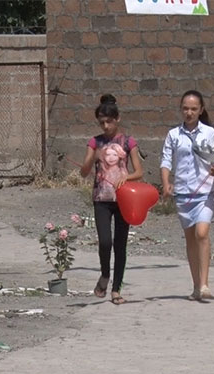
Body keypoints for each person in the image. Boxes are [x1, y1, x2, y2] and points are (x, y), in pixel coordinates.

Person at [79, 94, 143, 305]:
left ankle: (116, 289)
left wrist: (126, 177)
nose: (106, 126)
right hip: (101, 198)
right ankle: (105, 274)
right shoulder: (94, 142)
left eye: (109, 121)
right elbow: (84, 172)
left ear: (117, 119)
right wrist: (92, 156)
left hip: (123, 199)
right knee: (105, 241)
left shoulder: (128, 142)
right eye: (102, 123)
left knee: (120, 244)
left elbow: (138, 172)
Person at [160, 90, 214, 301]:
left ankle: (205, 284)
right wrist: (167, 183)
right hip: (183, 193)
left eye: (194, 109)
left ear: (201, 110)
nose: (189, 112)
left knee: (202, 234)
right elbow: (167, 161)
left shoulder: (210, 133)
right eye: (186, 108)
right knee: (191, 239)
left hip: (205, 192)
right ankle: (196, 285)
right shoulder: (174, 135)